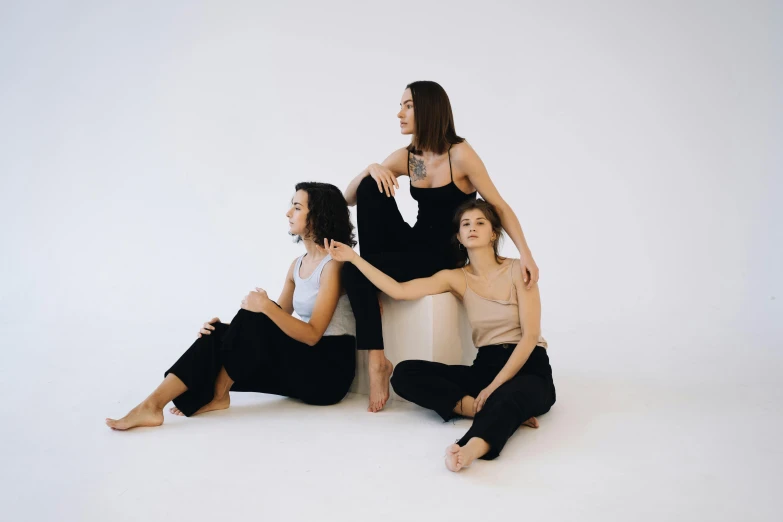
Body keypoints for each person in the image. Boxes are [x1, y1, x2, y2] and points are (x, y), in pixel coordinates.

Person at [342, 81, 541, 412]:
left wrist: (527, 254)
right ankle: (377, 360)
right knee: (369, 189)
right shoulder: (410, 157)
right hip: (413, 242)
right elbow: (350, 198)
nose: (399, 113)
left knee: (356, 271)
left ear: (428, 109)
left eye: (407, 106)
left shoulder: (460, 155)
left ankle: (370, 283)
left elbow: (499, 206)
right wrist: (371, 168)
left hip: (443, 256)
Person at [106, 182, 357, 430]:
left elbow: (312, 335)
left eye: (297, 207)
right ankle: (151, 406)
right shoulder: (297, 265)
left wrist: (263, 308)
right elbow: (274, 325)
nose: (288, 213)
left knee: (255, 315)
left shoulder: (333, 265)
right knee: (220, 333)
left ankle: (217, 395)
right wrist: (227, 331)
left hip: (327, 374)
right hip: (302, 364)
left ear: (318, 215)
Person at [327, 198, 555, 471]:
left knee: (508, 396)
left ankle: (470, 448)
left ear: (493, 233)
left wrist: (493, 388)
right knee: (405, 373)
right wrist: (354, 259)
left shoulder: (519, 269)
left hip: (529, 366)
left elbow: (530, 337)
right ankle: (481, 409)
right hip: (486, 365)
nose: (472, 228)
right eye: (466, 224)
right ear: (458, 236)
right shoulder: (455, 277)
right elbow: (399, 291)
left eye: (480, 222)